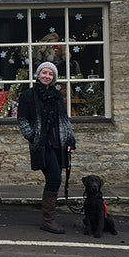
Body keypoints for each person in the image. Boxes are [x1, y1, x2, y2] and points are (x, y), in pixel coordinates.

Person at [17, 61, 76, 234]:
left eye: (50, 74)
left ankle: (49, 218)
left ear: (54, 78)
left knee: (54, 178)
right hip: (42, 145)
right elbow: (22, 121)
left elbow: (64, 120)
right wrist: (33, 137)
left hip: (58, 143)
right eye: (44, 72)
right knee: (55, 178)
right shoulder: (28, 95)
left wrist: (70, 140)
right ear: (38, 74)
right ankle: (48, 220)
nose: (47, 76)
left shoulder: (57, 96)